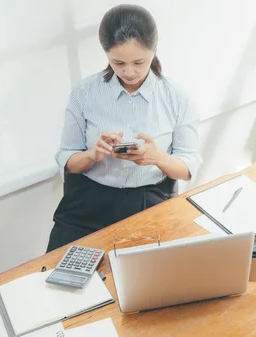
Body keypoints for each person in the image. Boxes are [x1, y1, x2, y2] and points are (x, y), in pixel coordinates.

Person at [45, 4, 202, 252]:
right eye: (118, 62)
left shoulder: (177, 98)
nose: (129, 72)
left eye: (139, 62)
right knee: (60, 272)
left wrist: (157, 157)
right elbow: (66, 158)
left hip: (150, 201)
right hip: (88, 203)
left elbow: (187, 167)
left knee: (151, 281)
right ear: (106, 54)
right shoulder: (85, 93)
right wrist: (92, 155)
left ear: (154, 50)